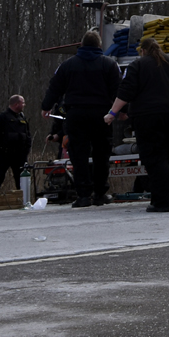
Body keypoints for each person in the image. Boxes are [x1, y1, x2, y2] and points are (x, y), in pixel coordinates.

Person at [107, 37, 169, 213]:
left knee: (155, 157)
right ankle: (166, 194)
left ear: (143, 51)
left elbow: (126, 91)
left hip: (148, 116)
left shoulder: (138, 66)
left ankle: (161, 201)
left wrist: (112, 113)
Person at [40, 28, 120, 208]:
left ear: (81, 45)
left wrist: (45, 107)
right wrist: (121, 111)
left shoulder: (67, 65)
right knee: (101, 155)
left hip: (76, 114)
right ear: (99, 45)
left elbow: (55, 88)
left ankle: (83, 195)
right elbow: (118, 90)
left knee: (79, 156)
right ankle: (100, 193)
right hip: (102, 115)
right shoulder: (109, 64)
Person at [0, 94, 31, 199]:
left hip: (19, 155)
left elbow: (28, 136)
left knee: (21, 180)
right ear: (16, 104)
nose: (24, 105)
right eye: (22, 103)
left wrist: (26, 151)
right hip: (4, 154)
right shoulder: (2, 118)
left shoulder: (22, 118)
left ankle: (24, 201)